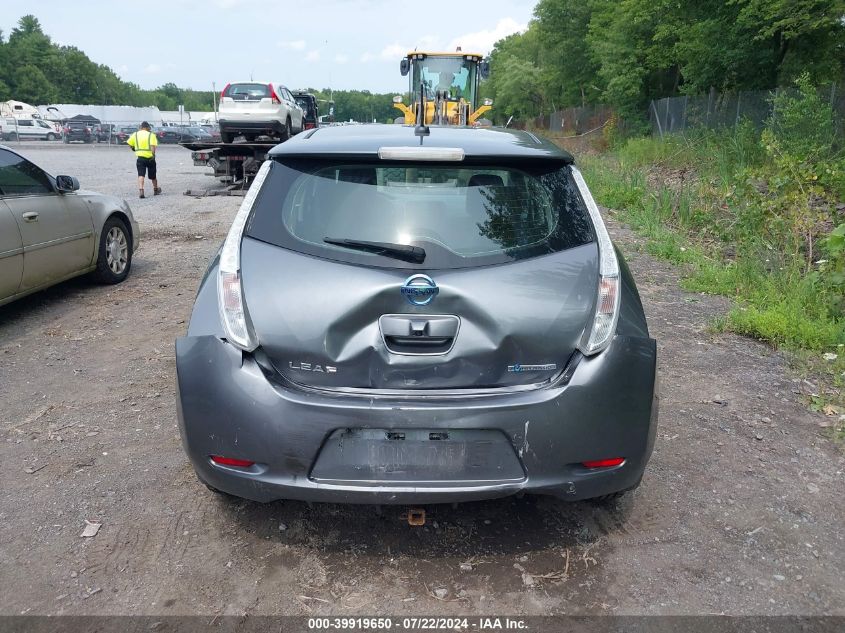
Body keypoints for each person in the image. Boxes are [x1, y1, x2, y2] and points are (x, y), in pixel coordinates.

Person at [126, 121, 160, 198]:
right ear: (148, 127)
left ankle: (141, 190)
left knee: (141, 175)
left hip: (140, 158)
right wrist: (153, 155)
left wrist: (133, 148)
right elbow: (152, 146)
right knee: (153, 175)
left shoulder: (136, 134)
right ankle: (155, 189)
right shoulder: (151, 135)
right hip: (150, 158)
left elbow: (129, 142)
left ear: (141, 127)